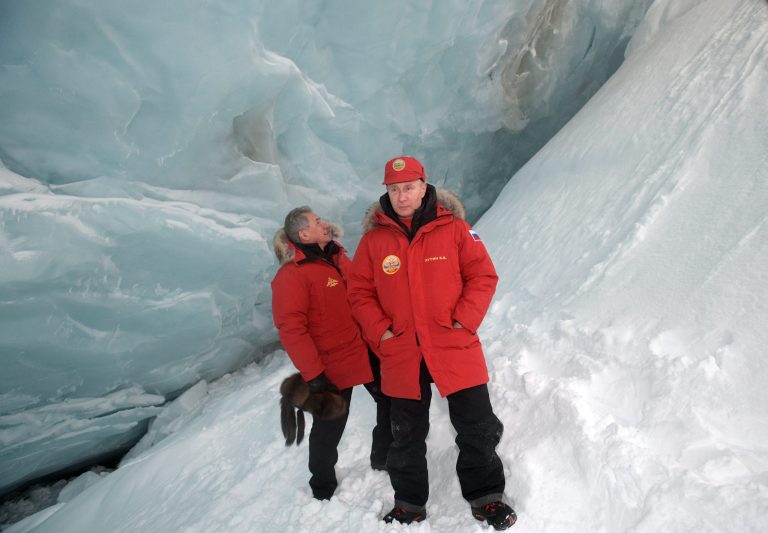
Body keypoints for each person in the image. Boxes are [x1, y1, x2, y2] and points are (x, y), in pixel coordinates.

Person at [348, 156, 516, 530]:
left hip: (453, 343)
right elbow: (358, 291)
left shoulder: (455, 230)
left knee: (476, 426)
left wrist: (465, 320)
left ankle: (486, 496)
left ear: (424, 186)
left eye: (408, 187)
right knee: (405, 436)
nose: (402, 196)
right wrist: (381, 331)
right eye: (394, 189)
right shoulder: (374, 241)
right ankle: (409, 504)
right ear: (386, 194)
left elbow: (483, 275)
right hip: (402, 351)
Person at [271, 206, 392, 500]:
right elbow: (292, 329)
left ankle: (383, 457)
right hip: (332, 364)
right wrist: (313, 375)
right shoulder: (291, 276)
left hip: (365, 350)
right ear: (304, 234)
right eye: (317, 222)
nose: (324, 223)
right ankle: (322, 487)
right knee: (330, 426)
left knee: (390, 402)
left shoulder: (337, 256)